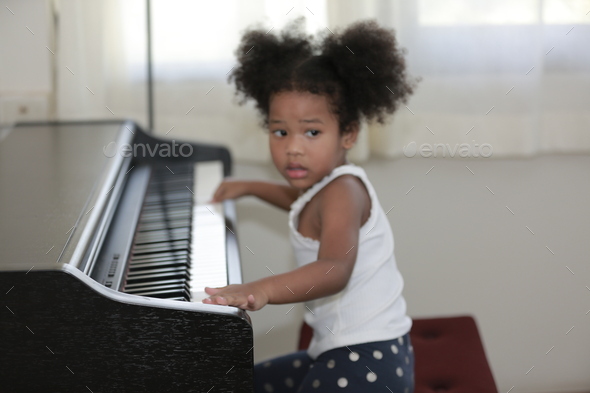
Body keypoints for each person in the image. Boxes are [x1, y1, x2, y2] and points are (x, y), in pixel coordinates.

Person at [203, 17, 419, 393]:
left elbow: (335, 268)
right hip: (354, 349)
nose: (293, 147)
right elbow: (302, 204)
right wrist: (253, 187)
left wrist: (263, 290)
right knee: (245, 382)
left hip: (367, 359)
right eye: (280, 131)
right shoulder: (324, 189)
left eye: (312, 131)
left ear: (348, 133)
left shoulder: (344, 191)